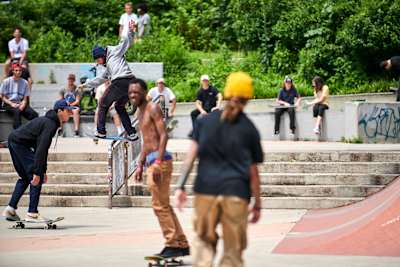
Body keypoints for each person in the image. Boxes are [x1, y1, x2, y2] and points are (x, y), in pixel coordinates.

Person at [175, 71, 263, 267]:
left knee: (203, 244)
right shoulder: (250, 129)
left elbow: (190, 156)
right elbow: (253, 173)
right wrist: (257, 203)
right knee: (233, 251)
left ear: (226, 93)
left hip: (205, 191)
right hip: (236, 194)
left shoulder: (204, 122)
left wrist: (180, 187)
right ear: (248, 98)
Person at [129, 78, 190, 258]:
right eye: (130, 92)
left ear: (145, 93)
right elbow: (147, 142)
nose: (133, 95)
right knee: (164, 205)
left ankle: (172, 243)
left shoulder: (152, 108)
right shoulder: (140, 113)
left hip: (160, 162)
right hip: (151, 160)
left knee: (159, 206)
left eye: (136, 92)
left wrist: (157, 163)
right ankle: (181, 243)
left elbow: (164, 136)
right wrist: (140, 164)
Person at [1, 99, 69, 222]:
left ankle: (10, 209)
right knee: (35, 176)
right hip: (19, 144)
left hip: (15, 141)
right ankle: (32, 213)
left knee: (27, 178)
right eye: (68, 111)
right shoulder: (50, 125)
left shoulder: (48, 122)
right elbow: (41, 150)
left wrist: (43, 170)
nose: (69, 114)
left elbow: (41, 148)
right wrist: (39, 172)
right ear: (60, 111)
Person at [78, 20, 138, 141]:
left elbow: (125, 42)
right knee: (119, 106)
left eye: (97, 60)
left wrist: (130, 31)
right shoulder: (108, 68)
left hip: (122, 80)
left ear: (102, 55)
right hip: (131, 83)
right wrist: (85, 85)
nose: (97, 63)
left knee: (103, 102)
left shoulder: (115, 51)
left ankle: (101, 132)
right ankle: (131, 133)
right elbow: (100, 79)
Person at [0, 63, 38, 129]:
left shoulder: (25, 82)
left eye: (20, 70)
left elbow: (25, 98)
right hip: (8, 103)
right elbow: (2, 96)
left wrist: (23, 105)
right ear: (13, 71)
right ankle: (17, 132)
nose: (18, 72)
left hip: (20, 103)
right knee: (17, 111)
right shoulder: (6, 81)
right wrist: (11, 104)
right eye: (16, 70)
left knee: (34, 114)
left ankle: (32, 131)